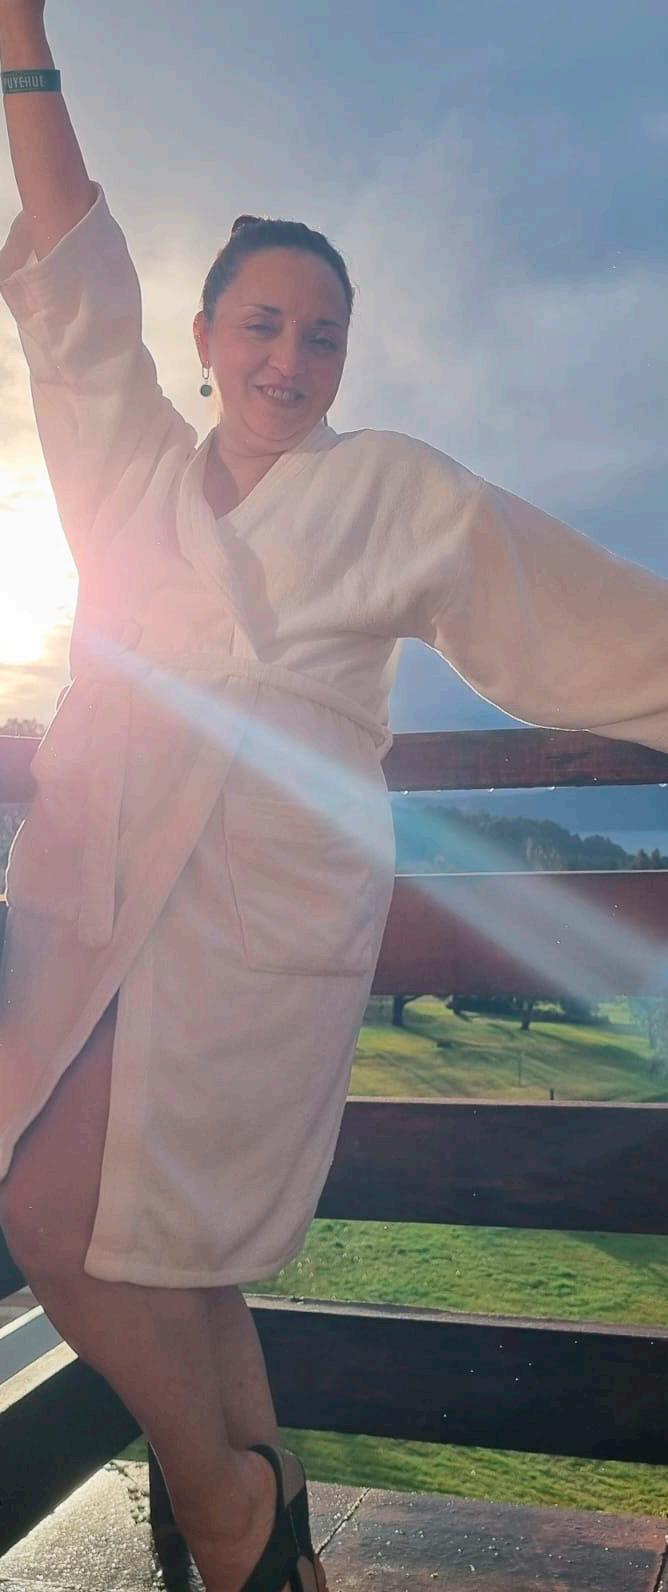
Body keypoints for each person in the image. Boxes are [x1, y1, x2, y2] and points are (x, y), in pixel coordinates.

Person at [1, 5, 668, 1590]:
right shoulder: (123, 471)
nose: (289, 361)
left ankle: (227, 1505)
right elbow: (74, 268)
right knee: (117, 1231)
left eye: (321, 338)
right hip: (92, 888)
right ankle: (261, 1511)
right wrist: (22, 33)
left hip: (257, 918)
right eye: (263, 325)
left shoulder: (391, 491)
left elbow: (571, 613)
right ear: (207, 336)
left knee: (94, 1226)